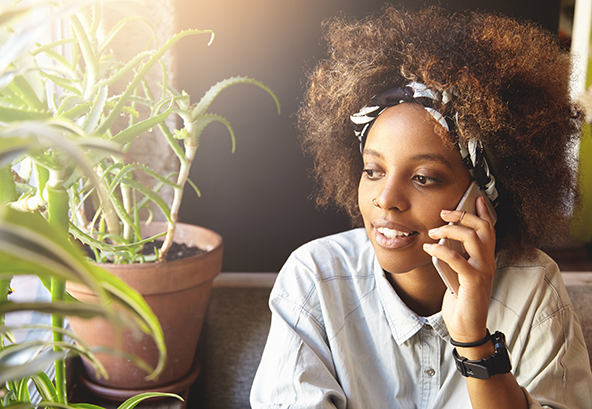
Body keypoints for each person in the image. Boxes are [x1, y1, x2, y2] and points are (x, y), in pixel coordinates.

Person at [250, 6, 592, 408]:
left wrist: (473, 341)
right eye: (373, 170)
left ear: (484, 197)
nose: (386, 199)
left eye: (423, 178)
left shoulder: (533, 290)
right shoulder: (315, 282)